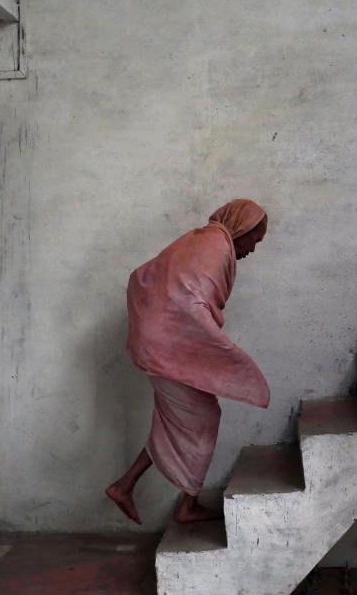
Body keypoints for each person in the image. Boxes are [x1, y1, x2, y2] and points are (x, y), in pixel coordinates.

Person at [106, 199, 270, 524]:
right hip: (169, 346)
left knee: (177, 419)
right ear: (241, 228)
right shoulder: (215, 246)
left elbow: (145, 277)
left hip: (159, 343)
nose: (253, 248)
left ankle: (126, 486)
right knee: (202, 415)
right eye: (254, 238)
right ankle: (185, 505)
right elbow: (188, 303)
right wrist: (216, 345)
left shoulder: (199, 238)